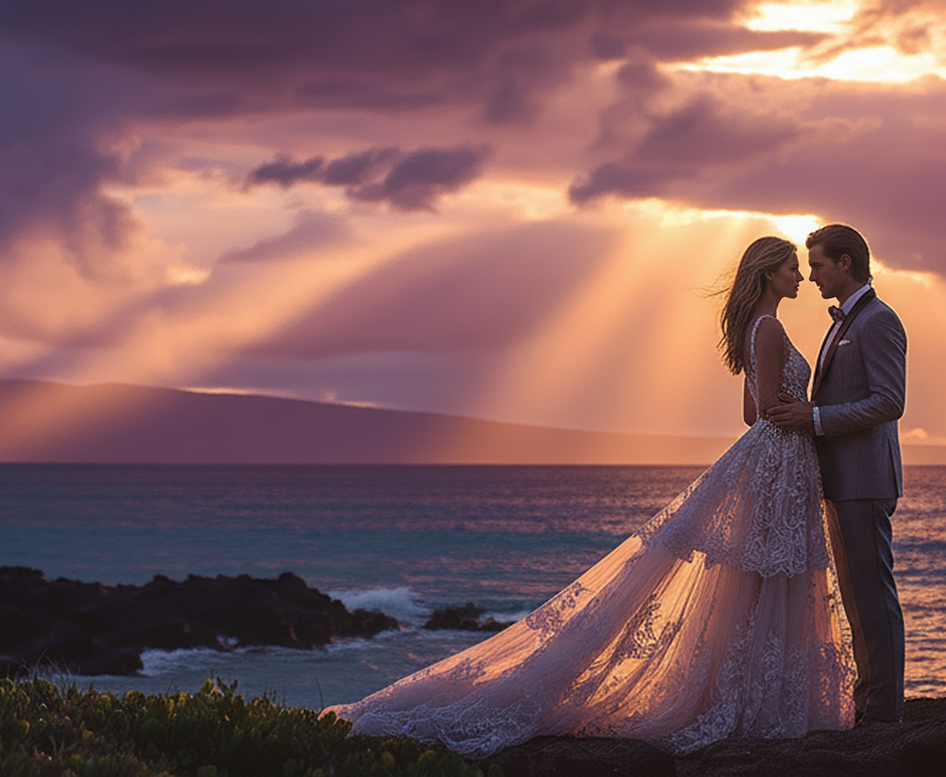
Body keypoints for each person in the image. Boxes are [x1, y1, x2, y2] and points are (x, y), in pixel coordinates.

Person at [328, 236, 853, 757]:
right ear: (767, 274)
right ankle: (754, 702)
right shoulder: (771, 328)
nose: (800, 277)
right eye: (790, 268)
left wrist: (791, 416)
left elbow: (747, 413)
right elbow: (763, 409)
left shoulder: (756, 327)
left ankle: (750, 697)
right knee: (769, 579)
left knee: (763, 580)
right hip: (779, 460)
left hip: (778, 462)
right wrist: (811, 418)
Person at [765, 223, 906, 723]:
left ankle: (884, 717)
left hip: (864, 481)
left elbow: (891, 401)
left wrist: (815, 419)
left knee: (872, 600)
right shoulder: (844, 322)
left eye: (819, 265)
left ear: (845, 263)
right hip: (841, 481)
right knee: (857, 602)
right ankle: (870, 709)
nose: (811, 275)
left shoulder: (878, 321)